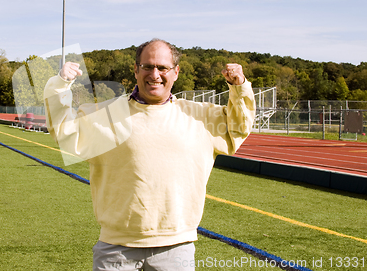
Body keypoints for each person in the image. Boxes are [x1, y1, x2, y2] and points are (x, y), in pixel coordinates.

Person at [43, 39, 256, 271]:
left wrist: (240, 86)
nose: (155, 74)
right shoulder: (106, 114)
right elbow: (64, 131)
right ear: (136, 70)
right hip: (116, 248)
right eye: (147, 66)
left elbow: (238, 127)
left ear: (176, 72)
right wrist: (59, 85)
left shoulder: (201, 116)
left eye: (163, 68)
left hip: (176, 246)